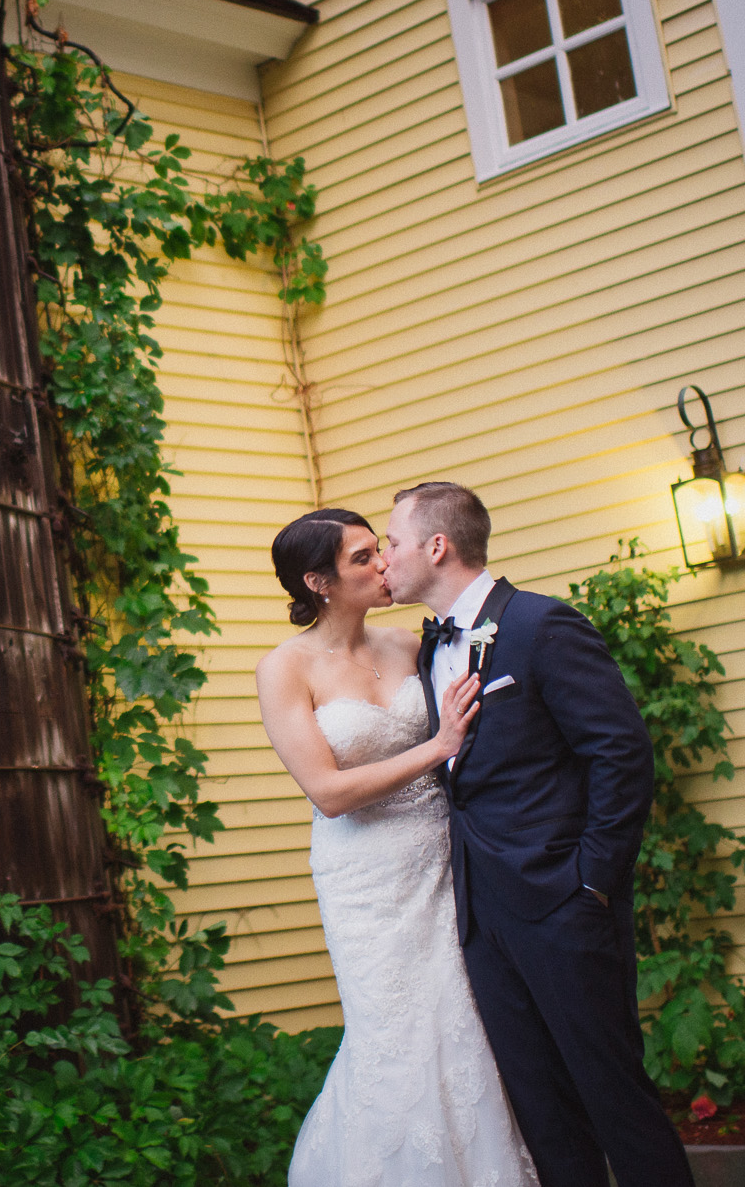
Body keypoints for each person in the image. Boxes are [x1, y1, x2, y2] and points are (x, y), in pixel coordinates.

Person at [380, 482, 693, 1187]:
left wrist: (591, 879)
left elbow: (621, 751)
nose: (384, 558)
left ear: (438, 545)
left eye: (392, 541)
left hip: (563, 902)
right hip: (481, 916)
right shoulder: (429, 647)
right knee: (541, 1108)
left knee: (613, 1095)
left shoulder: (540, 626)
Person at [255, 508, 538, 1187]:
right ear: (319, 581)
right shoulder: (284, 669)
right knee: (395, 1033)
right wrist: (436, 750)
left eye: (379, 549)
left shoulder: (412, 644)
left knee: (469, 1022)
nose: (383, 563)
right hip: (365, 877)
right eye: (361, 558)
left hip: (444, 859)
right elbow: (327, 790)